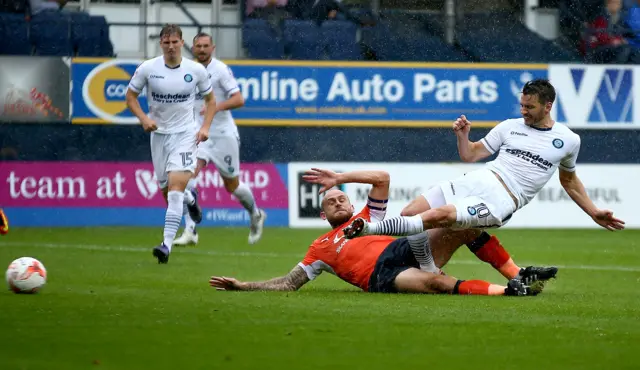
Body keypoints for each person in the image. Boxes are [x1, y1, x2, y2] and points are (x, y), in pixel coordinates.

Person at [342, 79, 626, 252]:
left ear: (548, 106)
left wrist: (593, 212)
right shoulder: (509, 126)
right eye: (522, 105)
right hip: (482, 177)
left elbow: (570, 181)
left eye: (530, 107)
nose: (523, 111)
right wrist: (463, 136)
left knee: (437, 215)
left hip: (504, 199)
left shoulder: (567, 140)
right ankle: (427, 268)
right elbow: (471, 155)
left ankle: (368, 230)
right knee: (411, 212)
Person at [209, 169, 546, 296]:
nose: (339, 200)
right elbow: (289, 283)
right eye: (331, 201)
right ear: (322, 213)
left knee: (460, 224)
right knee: (433, 283)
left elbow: (382, 178)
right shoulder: (320, 248)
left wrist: (340, 177)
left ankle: (518, 274)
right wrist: (244, 286)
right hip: (379, 278)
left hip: (404, 249)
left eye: (342, 197)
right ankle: (508, 292)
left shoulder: (369, 215)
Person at [125, 24, 217, 264]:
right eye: (166, 42)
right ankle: (191, 199)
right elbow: (130, 97)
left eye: (175, 42)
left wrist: (205, 127)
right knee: (169, 193)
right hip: (159, 136)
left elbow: (211, 100)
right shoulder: (148, 68)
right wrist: (144, 118)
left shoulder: (195, 70)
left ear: (181, 42)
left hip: (186, 135)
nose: (171, 46)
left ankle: (166, 246)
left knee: (174, 193)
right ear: (161, 44)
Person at [173, 32, 266, 247]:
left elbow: (239, 99)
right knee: (188, 174)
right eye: (199, 46)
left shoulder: (220, 70)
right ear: (193, 48)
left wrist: (214, 107)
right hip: (198, 133)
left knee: (232, 186)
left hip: (223, 134)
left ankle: (256, 214)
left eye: (206, 46)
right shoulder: (187, 70)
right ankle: (190, 231)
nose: (203, 49)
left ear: (212, 48)